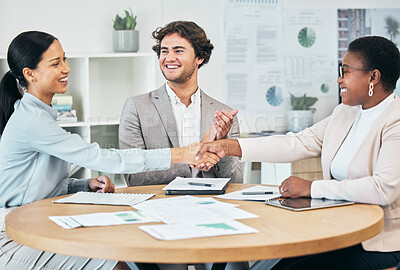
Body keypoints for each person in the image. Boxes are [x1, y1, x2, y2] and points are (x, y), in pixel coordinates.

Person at [0, 31, 219, 270]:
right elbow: (103, 158)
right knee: (115, 264)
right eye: (56, 63)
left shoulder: (42, 115)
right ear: (29, 74)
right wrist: (181, 153)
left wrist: (84, 185)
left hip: (38, 223)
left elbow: (36, 186)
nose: (66, 69)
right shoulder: (33, 121)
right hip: (16, 235)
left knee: (117, 256)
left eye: (65, 59)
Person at [196, 36, 400, 270]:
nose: (339, 79)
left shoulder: (395, 120)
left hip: (376, 241)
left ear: (373, 77)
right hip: (339, 228)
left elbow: (382, 188)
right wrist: (230, 146)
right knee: (270, 265)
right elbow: (299, 142)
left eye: (345, 71)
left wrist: (311, 187)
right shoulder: (346, 113)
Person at [119, 20, 243, 187]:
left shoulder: (225, 116)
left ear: (199, 57)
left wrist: (223, 145)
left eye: (178, 50)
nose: (169, 58)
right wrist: (189, 160)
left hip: (212, 205)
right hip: (159, 206)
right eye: (164, 51)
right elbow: (133, 177)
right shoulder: (136, 107)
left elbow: (236, 182)